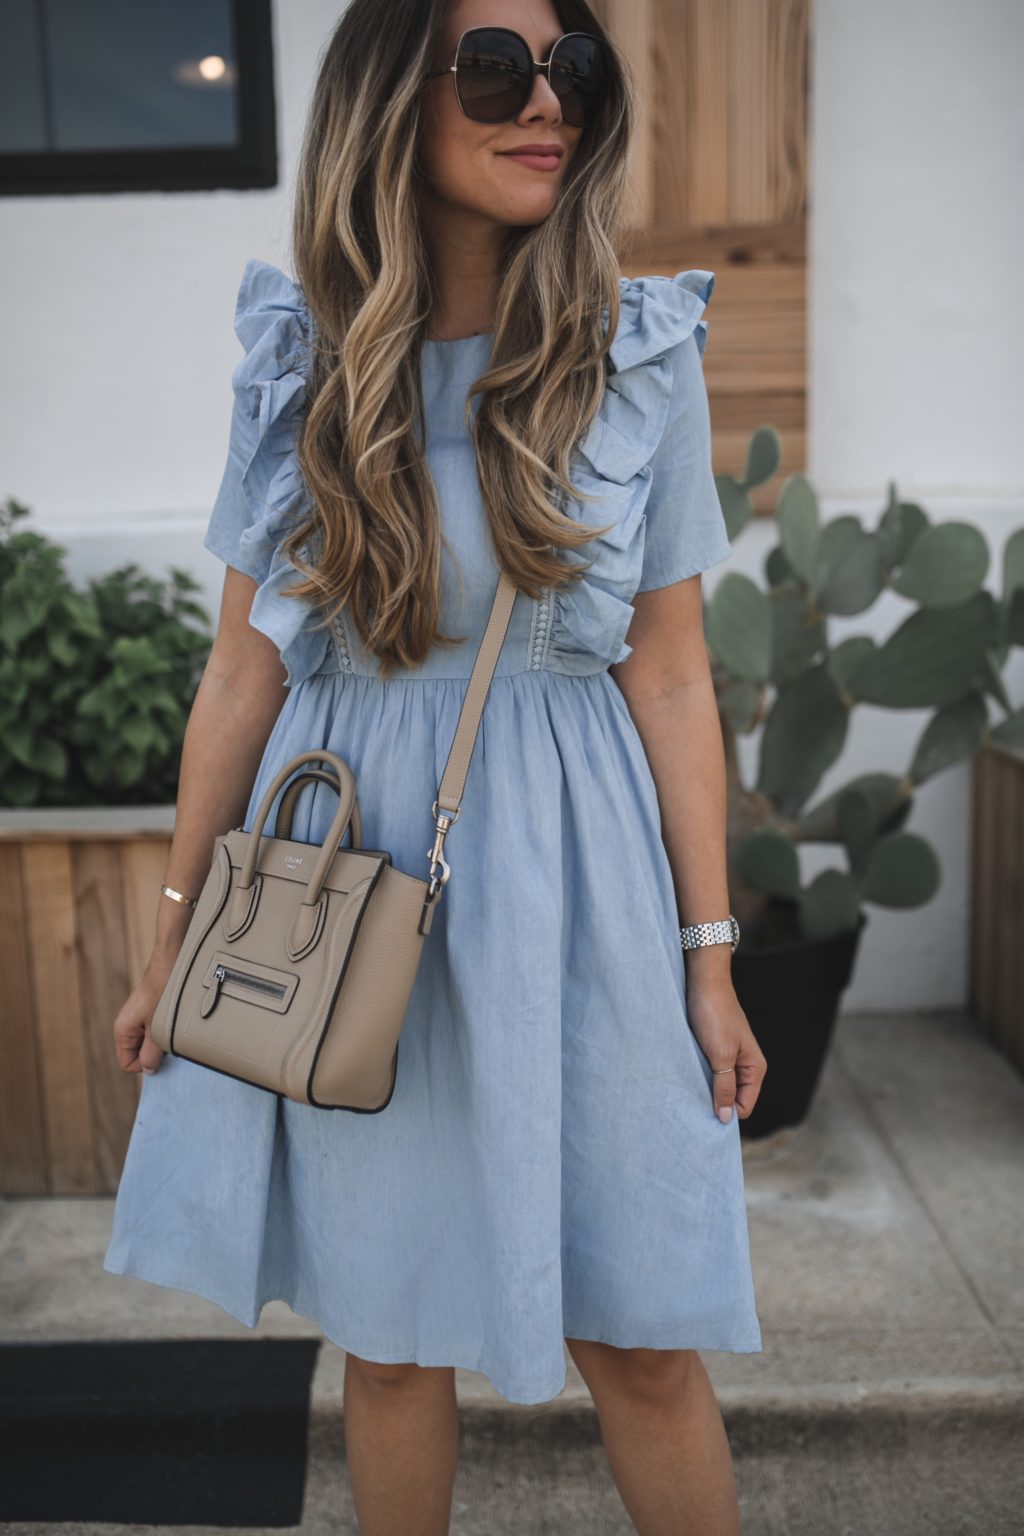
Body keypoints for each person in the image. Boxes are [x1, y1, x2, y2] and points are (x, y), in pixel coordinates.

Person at [105, 0, 767, 1530]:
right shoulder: (302, 366)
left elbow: (670, 675)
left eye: (573, 70)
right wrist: (170, 942)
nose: (546, 102)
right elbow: (240, 673)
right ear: (394, 99)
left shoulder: (635, 353)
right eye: (495, 68)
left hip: (584, 882)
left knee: (645, 1341)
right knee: (395, 1345)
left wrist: (710, 957)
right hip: (358, 890)